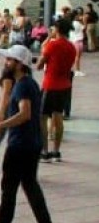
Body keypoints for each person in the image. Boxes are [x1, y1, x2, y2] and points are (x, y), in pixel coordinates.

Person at [0, 45, 58, 223]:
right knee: (30, 185)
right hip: (32, 144)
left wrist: (0, 125)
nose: (6, 63)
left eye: (9, 60)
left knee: (9, 186)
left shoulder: (23, 85)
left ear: (20, 64)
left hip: (20, 145)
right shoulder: (29, 83)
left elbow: (25, 113)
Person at [37, 20, 76, 162]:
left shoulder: (52, 45)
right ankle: (56, 151)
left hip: (50, 85)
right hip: (65, 85)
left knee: (43, 117)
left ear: (57, 29)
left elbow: (40, 65)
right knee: (58, 117)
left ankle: (45, 151)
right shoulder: (72, 47)